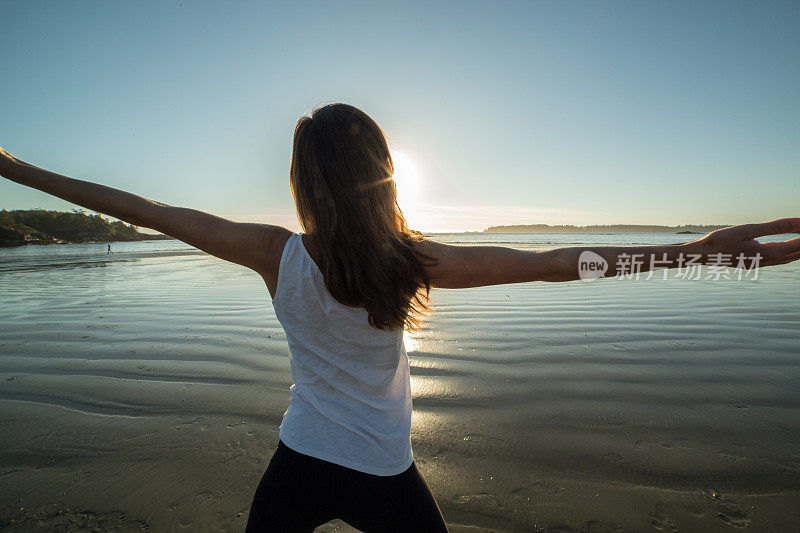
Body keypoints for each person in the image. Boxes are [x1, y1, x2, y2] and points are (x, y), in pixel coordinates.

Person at [1, 103, 798, 532]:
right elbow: (565, 263)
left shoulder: (273, 252)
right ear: (381, 177)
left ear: (303, 184)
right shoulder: (413, 262)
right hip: (384, 471)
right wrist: (704, 250)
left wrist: (16, 168)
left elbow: (144, 207)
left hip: (301, 461)